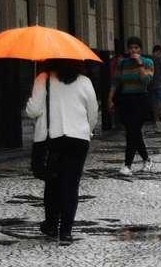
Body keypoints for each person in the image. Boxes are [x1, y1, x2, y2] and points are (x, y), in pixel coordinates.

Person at [26, 60, 98, 246]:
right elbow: (93, 112)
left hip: (54, 138)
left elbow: (32, 111)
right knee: (71, 185)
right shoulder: (85, 81)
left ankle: (51, 225)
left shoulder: (44, 78)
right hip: (79, 139)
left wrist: (32, 101)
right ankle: (66, 231)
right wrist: (87, 131)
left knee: (53, 183)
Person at [108, 37, 154, 176]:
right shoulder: (123, 63)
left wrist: (139, 63)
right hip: (126, 100)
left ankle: (127, 165)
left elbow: (146, 80)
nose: (133, 50)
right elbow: (115, 82)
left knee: (133, 132)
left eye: (136, 48)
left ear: (140, 49)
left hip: (141, 99)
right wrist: (110, 99)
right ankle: (147, 159)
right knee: (132, 131)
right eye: (131, 48)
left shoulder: (148, 62)